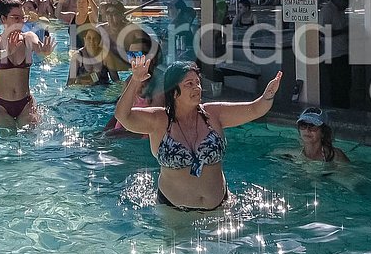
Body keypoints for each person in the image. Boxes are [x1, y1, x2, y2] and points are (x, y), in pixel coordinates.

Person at [115, 56, 282, 212]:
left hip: (220, 207)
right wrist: (135, 80)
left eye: (197, 82)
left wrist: (267, 96)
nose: (197, 87)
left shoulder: (213, 114)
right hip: (174, 211)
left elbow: (255, 109)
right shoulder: (158, 120)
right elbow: (123, 116)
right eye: (189, 84)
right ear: (174, 92)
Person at [0, 0, 53, 128]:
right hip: (0, 105)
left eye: (23, 18)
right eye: (16, 18)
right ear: (3, 19)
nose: (21, 22)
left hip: (26, 104)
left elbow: (38, 46)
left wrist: (44, 51)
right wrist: (7, 51)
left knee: (31, 138)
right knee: (7, 138)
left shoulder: (28, 37)